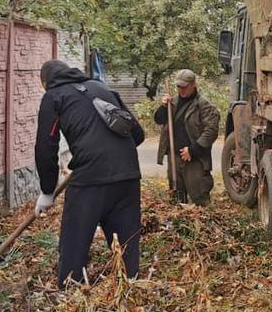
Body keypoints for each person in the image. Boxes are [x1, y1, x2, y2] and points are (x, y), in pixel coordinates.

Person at [34, 60, 145, 289]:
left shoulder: (53, 96)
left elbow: (46, 147)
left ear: (45, 82)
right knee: (126, 241)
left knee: (75, 239)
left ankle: (71, 292)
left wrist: (47, 191)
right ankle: (130, 287)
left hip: (91, 177)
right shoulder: (101, 88)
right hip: (128, 173)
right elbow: (138, 134)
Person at [154, 69, 220, 205]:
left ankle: (202, 224)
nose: (181, 90)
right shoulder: (173, 102)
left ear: (193, 85)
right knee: (177, 197)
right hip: (175, 157)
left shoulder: (203, 105)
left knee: (199, 197)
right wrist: (163, 107)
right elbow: (159, 120)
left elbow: (211, 131)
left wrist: (193, 150)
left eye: (184, 87)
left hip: (194, 158)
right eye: (178, 86)